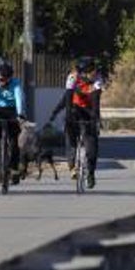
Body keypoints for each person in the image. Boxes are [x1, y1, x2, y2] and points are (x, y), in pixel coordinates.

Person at [49, 56, 103, 188]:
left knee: (92, 144)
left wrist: (95, 118)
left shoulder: (97, 80)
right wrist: (67, 117)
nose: (95, 73)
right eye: (92, 71)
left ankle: (90, 172)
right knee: (70, 131)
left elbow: (96, 102)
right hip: (75, 108)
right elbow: (67, 99)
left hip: (89, 110)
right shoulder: (72, 77)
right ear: (83, 73)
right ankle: (72, 165)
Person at [0, 61, 25, 184]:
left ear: (9, 78)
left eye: (3, 80)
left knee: (14, 142)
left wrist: (20, 115)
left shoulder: (16, 84)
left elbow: (19, 99)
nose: (0, 82)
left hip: (12, 110)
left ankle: (14, 169)